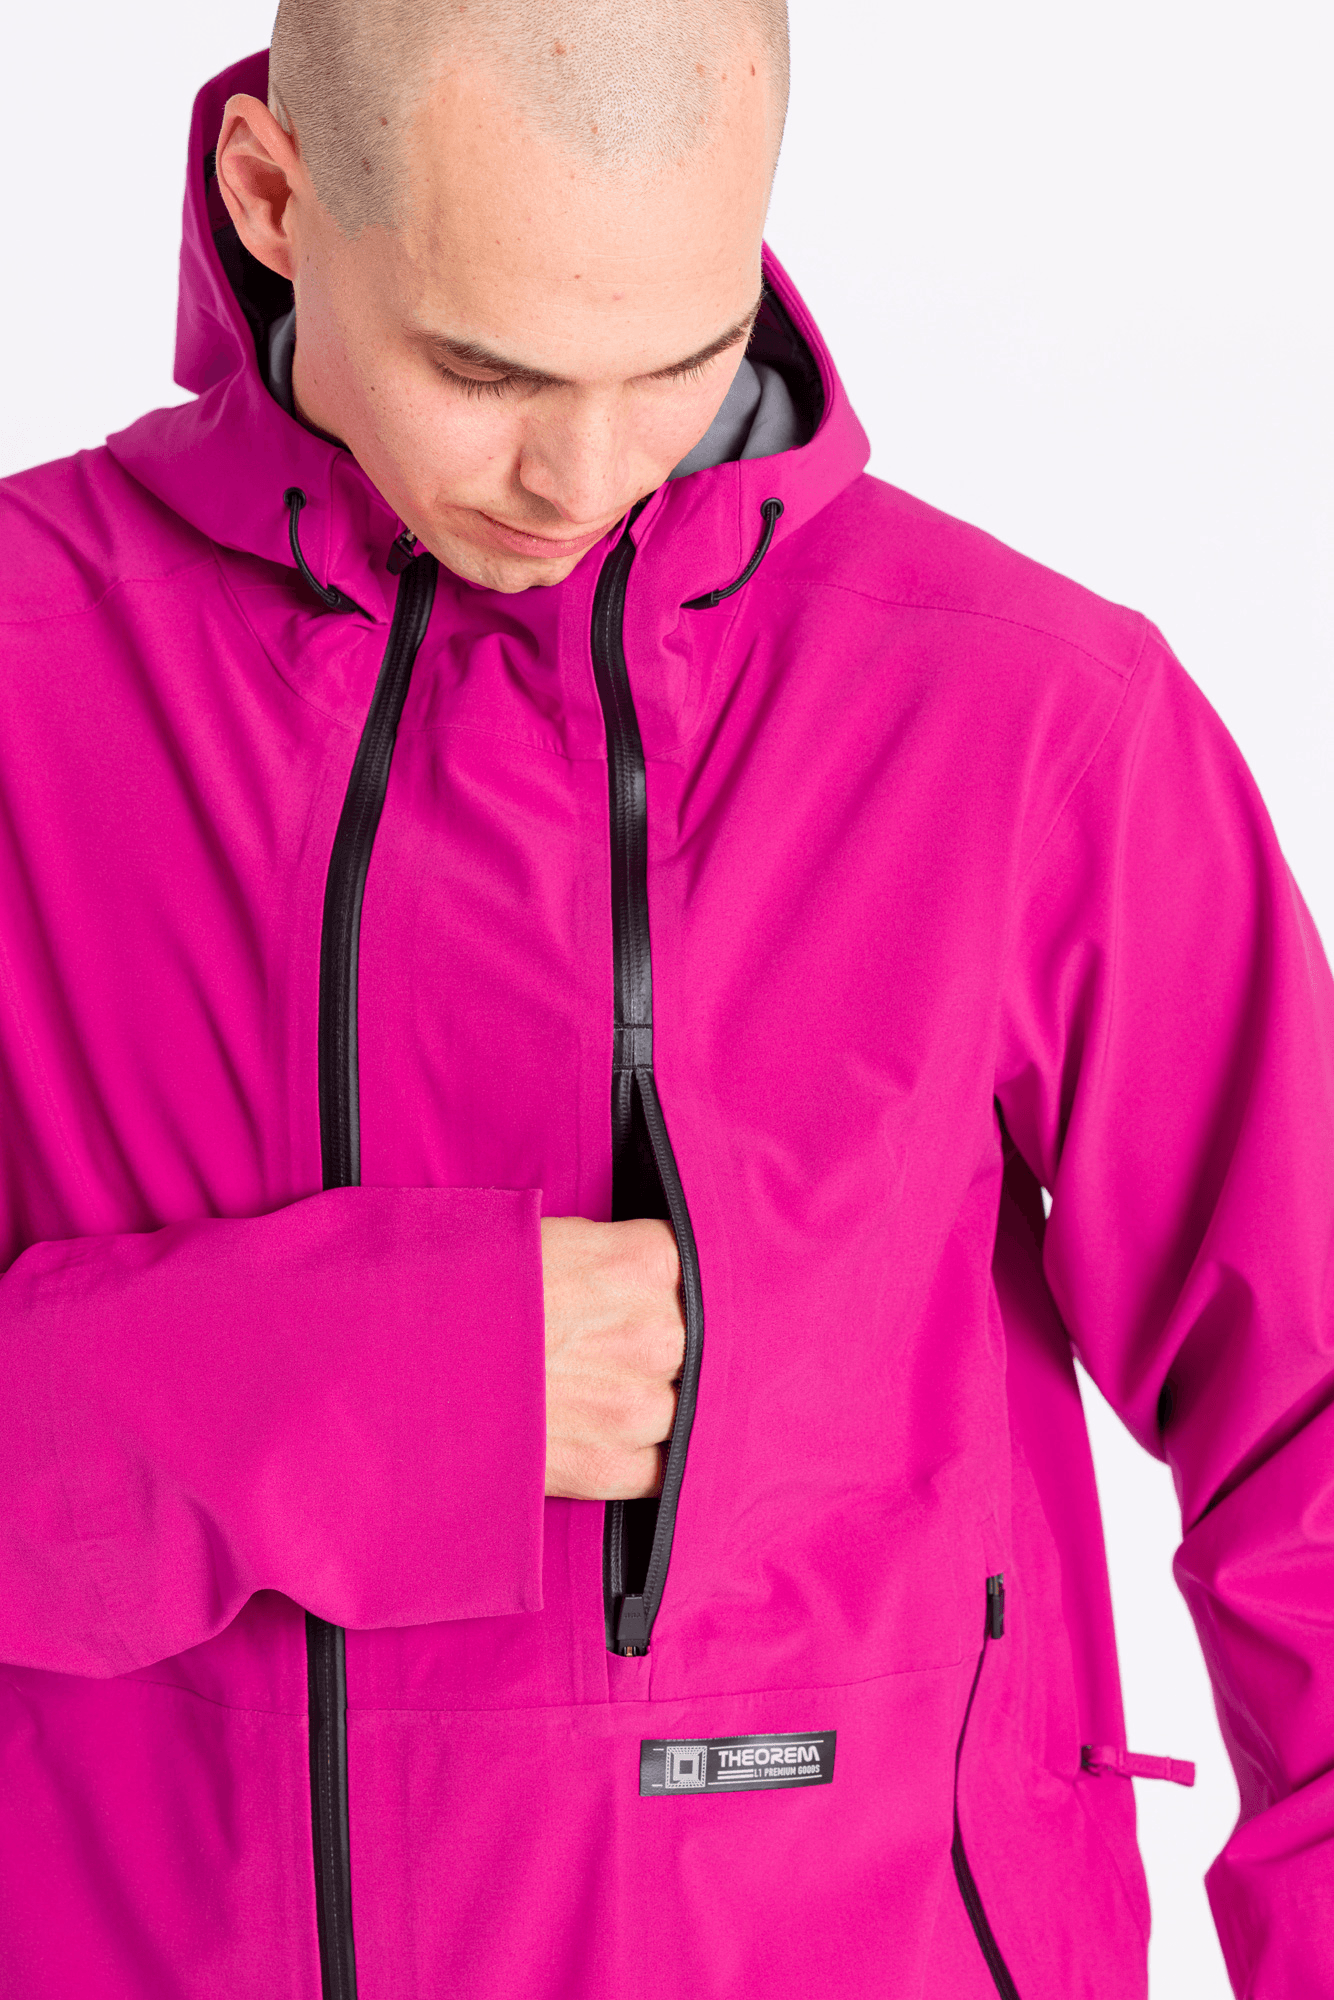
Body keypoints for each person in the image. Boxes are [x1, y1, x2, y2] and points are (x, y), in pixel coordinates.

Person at [0, 2, 1329, 1994]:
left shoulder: (1026, 718)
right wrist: (381, 1377)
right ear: (274, 199)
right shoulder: (29, 671)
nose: (583, 475)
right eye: (483, 369)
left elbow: (1306, 1420)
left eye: (680, 362)